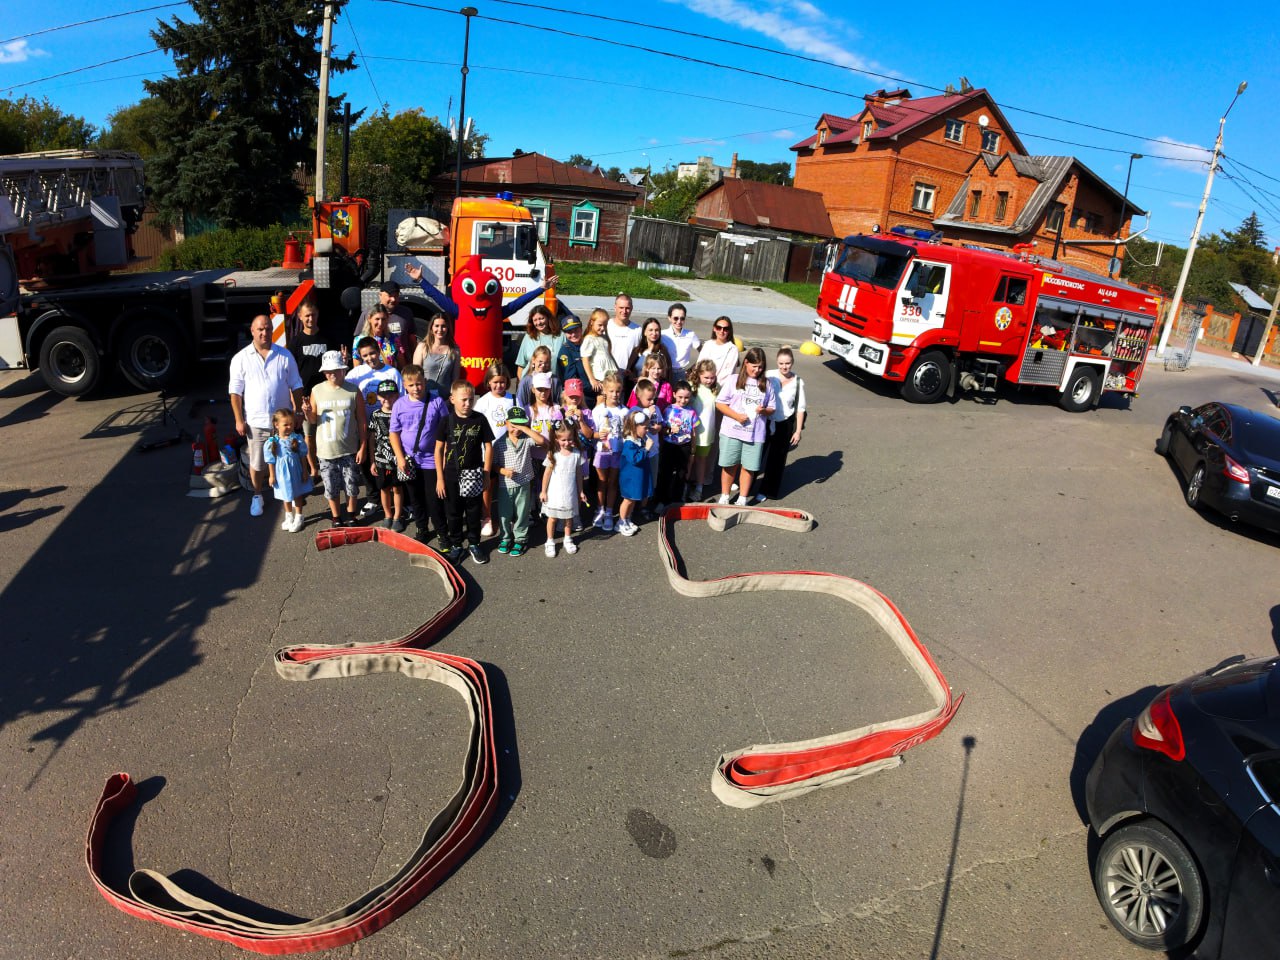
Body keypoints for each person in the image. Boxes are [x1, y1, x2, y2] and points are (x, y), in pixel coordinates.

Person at [229, 314, 304, 518]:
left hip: (283, 423)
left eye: (268, 328)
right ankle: (257, 495)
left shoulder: (284, 355)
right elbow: (235, 392)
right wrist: (238, 419)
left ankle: (289, 496)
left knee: (288, 459)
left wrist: (297, 411)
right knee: (259, 462)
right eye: (260, 329)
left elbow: (296, 384)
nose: (265, 332)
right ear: (252, 331)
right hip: (256, 422)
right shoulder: (241, 359)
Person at [435, 379, 495, 565]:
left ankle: (475, 544)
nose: (468, 404)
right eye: (463, 400)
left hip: (474, 474)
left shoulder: (479, 419)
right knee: (453, 512)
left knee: (473, 511)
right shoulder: (446, 421)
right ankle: (456, 546)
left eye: (471, 399)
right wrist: (439, 478)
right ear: (452, 399)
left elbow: (488, 446)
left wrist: (486, 473)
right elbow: (438, 450)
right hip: (451, 474)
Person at [305, 350, 368, 526]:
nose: (332, 374)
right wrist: (308, 412)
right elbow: (313, 420)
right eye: (328, 371)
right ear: (323, 372)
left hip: (349, 449)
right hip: (326, 450)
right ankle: (336, 517)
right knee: (331, 487)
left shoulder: (353, 390)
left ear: (343, 369)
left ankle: (351, 515)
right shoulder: (317, 390)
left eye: (336, 370)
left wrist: (362, 446)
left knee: (351, 485)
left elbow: (362, 420)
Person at [389, 364, 450, 545]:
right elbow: (394, 433)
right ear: (405, 386)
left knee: (435, 498)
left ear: (425, 382)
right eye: (411, 385)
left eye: (419, 384)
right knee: (415, 498)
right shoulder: (399, 404)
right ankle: (422, 528)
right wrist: (400, 457)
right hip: (409, 459)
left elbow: (446, 429)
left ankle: (441, 531)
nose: (416, 388)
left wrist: (445, 456)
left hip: (432, 459)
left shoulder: (436, 402)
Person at [288, 296, 345, 485]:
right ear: (299, 317)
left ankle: (332, 465)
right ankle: (314, 469)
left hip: (326, 394)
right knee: (309, 435)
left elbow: (338, 367)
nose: (310, 319)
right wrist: (295, 401)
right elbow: (291, 374)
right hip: (305, 397)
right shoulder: (295, 343)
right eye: (306, 316)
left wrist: (344, 361)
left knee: (328, 432)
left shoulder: (328, 339)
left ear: (317, 315)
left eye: (313, 315)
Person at [715, 346, 776, 505]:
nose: (757, 370)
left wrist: (764, 410)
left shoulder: (767, 384)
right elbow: (720, 403)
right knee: (729, 465)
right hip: (731, 431)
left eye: (761, 367)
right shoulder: (733, 380)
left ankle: (742, 498)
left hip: (755, 434)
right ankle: (725, 495)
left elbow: (772, 408)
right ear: (746, 363)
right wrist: (736, 416)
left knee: (748, 467)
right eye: (754, 366)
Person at [491, 405, 546, 558]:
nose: (517, 429)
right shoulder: (499, 443)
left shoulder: (526, 438)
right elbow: (494, 464)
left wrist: (526, 428)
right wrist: (503, 471)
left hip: (524, 483)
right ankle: (505, 538)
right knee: (505, 514)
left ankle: (521, 539)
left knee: (522, 513)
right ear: (506, 423)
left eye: (520, 424)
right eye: (514, 425)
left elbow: (543, 441)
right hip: (505, 485)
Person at [474, 362, 515, 538]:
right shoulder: (483, 402)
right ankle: (487, 517)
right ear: (488, 382)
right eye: (495, 382)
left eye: (502, 382)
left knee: (508, 486)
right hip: (488, 452)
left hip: (510, 451)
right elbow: (476, 425)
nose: (499, 385)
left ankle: (509, 516)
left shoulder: (513, 399)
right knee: (487, 486)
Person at [761, 347, 807, 502]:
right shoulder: (769, 375)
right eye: (781, 363)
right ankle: (745, 485)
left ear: (792, 362)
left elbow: (800, 409)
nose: (784, 367)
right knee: (757, 454)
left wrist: (798, 431)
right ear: (777, 362)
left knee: (777, 459)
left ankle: (768, 490)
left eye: (787, 363)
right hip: (766, 420)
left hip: (784, 423)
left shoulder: (798, 382)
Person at [541, 421, 587, 557]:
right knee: (552, 518)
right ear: (556, 439)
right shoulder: (553, 454)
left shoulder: (577, 454)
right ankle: (549, 541)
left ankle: (568, 538)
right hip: (554, 493)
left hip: (570, 492)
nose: (567, 442)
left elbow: (579, 474)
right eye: (563, 440)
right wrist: (543, 491)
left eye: (570, 439)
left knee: (569, 518)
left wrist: (581, 491)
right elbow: (546, 474)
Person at [263, 407, 312, 532]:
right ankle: (289, 515)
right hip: (281, 474)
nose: (289, 427)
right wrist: (272, 476)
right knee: (286, 495)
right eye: (286, 424)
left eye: (291, 424)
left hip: (296, 472)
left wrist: (305, 471)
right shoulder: (273, 442)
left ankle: (299, 516)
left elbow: (302, 456)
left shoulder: (297, 438)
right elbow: (271, 461)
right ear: (276, 425)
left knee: (297, 494)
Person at [368, 379, 407, 532]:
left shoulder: (402, 413)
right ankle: (387, 515)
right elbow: (372, 439)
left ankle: (398, 516)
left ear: (397, 395)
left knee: (397, 488)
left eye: (391, 396)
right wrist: (372, 461)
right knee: (384, 489)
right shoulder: (375, 415)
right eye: (383, 396)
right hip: (380, 460)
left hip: (398, 460)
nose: (387, 399)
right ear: (377, 397)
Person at [591, 371, 627, 532]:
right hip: (601, 452)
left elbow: (627, 433)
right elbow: (592, 433)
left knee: (613, 482)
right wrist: (599, 435)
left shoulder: (625, 412)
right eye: (611, 391)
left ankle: (610, 511)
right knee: (601, 482)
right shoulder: (598, 410)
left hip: (617, 452)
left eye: (618, 391)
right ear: (604, 390)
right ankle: (600, 509)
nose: (614, 394)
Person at [353, 280, 416, 363]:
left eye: (396, 296)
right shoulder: (367, 314)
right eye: (390, 295)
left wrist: (413, 361)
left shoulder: (406, 313)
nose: (393, 299)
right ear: (380, 295)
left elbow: (412, 340)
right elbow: (358, 345)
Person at [659, 381, 700, 508]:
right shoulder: (668, 410)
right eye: (680, 397)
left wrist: (693, 451)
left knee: (682, 473)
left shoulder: (691, 412)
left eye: (686, 397)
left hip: (684, 446)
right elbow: (662, 429)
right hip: (669, 445)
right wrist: (670, 430)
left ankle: (677, 500)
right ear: (674, 394)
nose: (683, 400)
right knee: (666, 472)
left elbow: (694, 433)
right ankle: (662, 500)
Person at [616, 409, 655, 537]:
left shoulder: (639, 439)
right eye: (645, 427)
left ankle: (628, 519)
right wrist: (646, 449)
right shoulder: (629, 443)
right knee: (628, 500)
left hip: (638, 477)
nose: (647, 430)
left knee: (634, 500)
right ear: (635, 426)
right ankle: (621, 522)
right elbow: (634, 459)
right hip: (630, 478)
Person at [629, 377, 664, 509]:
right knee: (638, 480)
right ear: (638, 396)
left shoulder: (656, 410)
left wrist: (658, 428)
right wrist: (647, 415)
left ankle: (644, 507)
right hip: (640, 452)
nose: (652, 402)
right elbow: (633, 430)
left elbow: (660, 424)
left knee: (651, 481)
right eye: (648, 399)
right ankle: (633, 507)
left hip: (653, 451)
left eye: (653, 398)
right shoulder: (634, 411)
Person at [688, 359, 720, 500]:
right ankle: (684, 486)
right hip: (690, 433)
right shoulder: (692, 387)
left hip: (706, 434)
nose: (709, 380)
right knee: (689, 461)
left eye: (712, 377)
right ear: (699, 375)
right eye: (706, 377)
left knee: (701, 461)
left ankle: (699, 488)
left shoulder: (716, 389)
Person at [411, 314, 462, 399]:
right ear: (431, 328)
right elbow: (415, 375)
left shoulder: (455, 350)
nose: (440, 330)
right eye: (437, 326)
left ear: (448, 328)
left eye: (443, 326)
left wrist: (452, 397)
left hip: (445, 399)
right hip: (425, 397)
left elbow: (455, 378)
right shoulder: (422, 347)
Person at [515, 304, 563, 381]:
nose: (539, 322)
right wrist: (521, 384)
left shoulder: (561, 336)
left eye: (541, 318)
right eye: (535, 320)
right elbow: (521, 365)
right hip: (531, 385)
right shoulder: (528, 337)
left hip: (553, 384)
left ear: (548, 318)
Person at [554, 316, 593, 407]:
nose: (574, 334)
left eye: (576, 330)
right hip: (580, 397)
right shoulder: (565, 352)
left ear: (581, 329)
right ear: (564, 333)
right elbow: (571, 380)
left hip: (594, 392)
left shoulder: (588, 345)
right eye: (569, 332)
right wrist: (594, 387)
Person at [353, 304, 407, 370]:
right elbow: (356, 369)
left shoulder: (394, 338)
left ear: (387, 319)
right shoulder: (359, 340)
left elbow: (403, 366)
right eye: (377, 319)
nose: (380, 323)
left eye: (383, 319)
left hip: (390, 378)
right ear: (369, 319)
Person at [580, 307, 617, 396]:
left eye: (605, 325)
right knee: (602, 398)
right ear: (592, 322)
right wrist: (592, 379)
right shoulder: (589, 339)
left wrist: (618, 369)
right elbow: (585, 359)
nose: (602, 328)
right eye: (600, 325)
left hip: (610, 376)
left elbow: (609, 355)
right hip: (600, 377)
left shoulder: (604, 338)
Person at [627, 317, 673, 382]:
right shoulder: (636, 351)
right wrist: (634, 378)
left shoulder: (662, 352)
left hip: (655, 390)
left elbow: (667, 375)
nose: (654, 333)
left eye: (656, 330)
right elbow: (629, 371)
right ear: (644, 332)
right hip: (637, 389)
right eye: (651, 330)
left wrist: (645, 379)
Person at [698, 315, 739, 386]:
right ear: (714, 328)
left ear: (729, 331)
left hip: (720, 387)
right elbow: (699, 365)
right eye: (719, 328)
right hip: (702, 384)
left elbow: (728, 373)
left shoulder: (732, 349)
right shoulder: (708, 344)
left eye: (725, 329)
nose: (722, 331)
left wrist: (713, 384)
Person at [514, 345, 558, 409]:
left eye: (546, 362)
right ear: (533, 360)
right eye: (540, 361)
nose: (543, 365)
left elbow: (558, 401)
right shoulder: (526, 381)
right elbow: (520, 402)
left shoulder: (554, 380)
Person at [605, 293, 640, 373]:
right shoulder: (605, 326)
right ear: (615, 307)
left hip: (627, 377)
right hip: (607, 375)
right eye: (621, 308)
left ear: (631, 308)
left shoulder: (638, 330)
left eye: (627, 308)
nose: (624, 311)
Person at [663, 303, 700, 377]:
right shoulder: (662, 335)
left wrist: (693, 368)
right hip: (666, 373)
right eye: (675, 318)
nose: (679, 321)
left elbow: (703, 352)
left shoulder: (690, 334)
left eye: (682, 318)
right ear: (669, 318)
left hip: (683, 373)